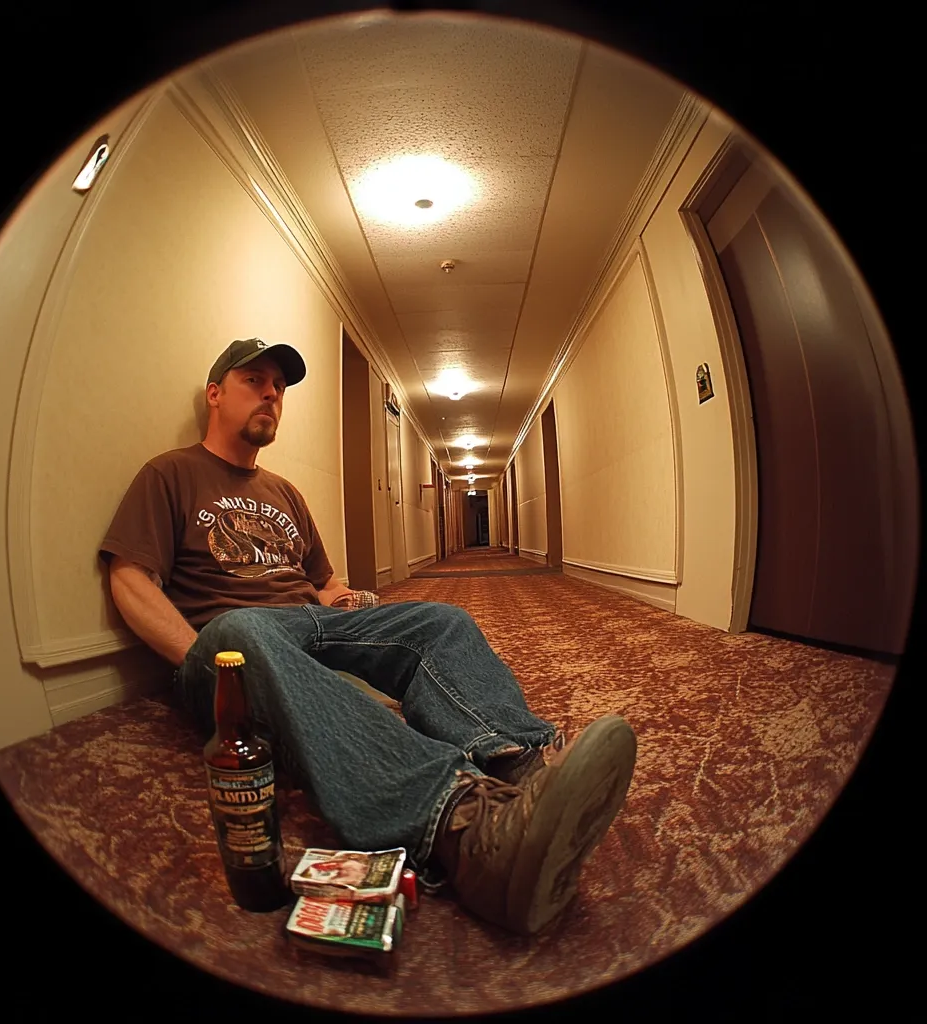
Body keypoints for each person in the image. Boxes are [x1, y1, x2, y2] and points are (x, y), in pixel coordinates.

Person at [99, 336, 638, 936]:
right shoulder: (169, 474)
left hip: (313, 624)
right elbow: (130, 580)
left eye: (279, 387)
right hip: (234, 642)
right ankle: (469, 832)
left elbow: (324, 582)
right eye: (255, 380)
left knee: (441, 618)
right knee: (242, 628)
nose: (272, 395)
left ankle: (523, 766)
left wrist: (348, 602)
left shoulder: (285, 493)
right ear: (215, 393)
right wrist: (205, 660)